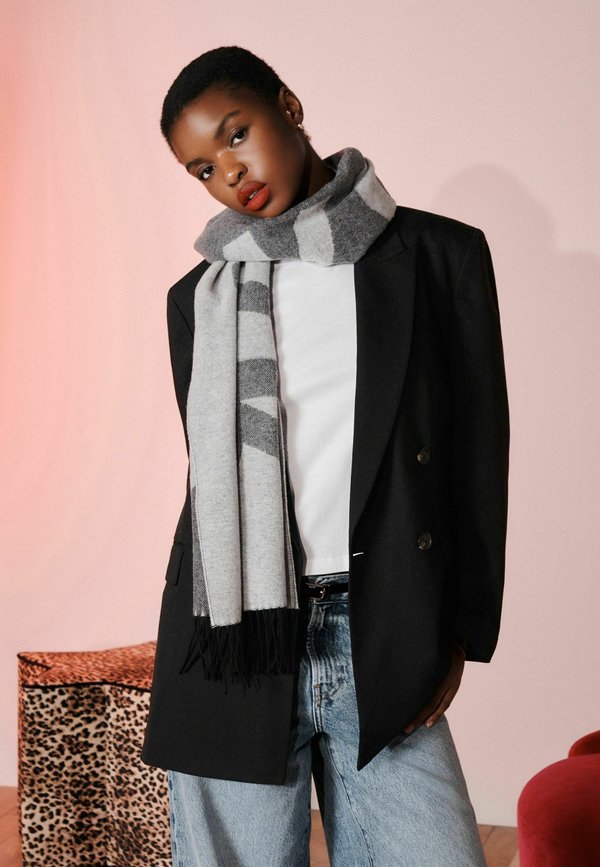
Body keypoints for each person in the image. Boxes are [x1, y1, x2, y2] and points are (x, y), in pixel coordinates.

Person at [141, 44, 510, 867]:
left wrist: (458, 630)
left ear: (289, 105)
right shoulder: (197, 300)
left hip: (381, 622)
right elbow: (214, 484)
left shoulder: (437, 257)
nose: (231, 174)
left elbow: (478, 458)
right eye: (203, 169)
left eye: (236, 134)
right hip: (235, 640)